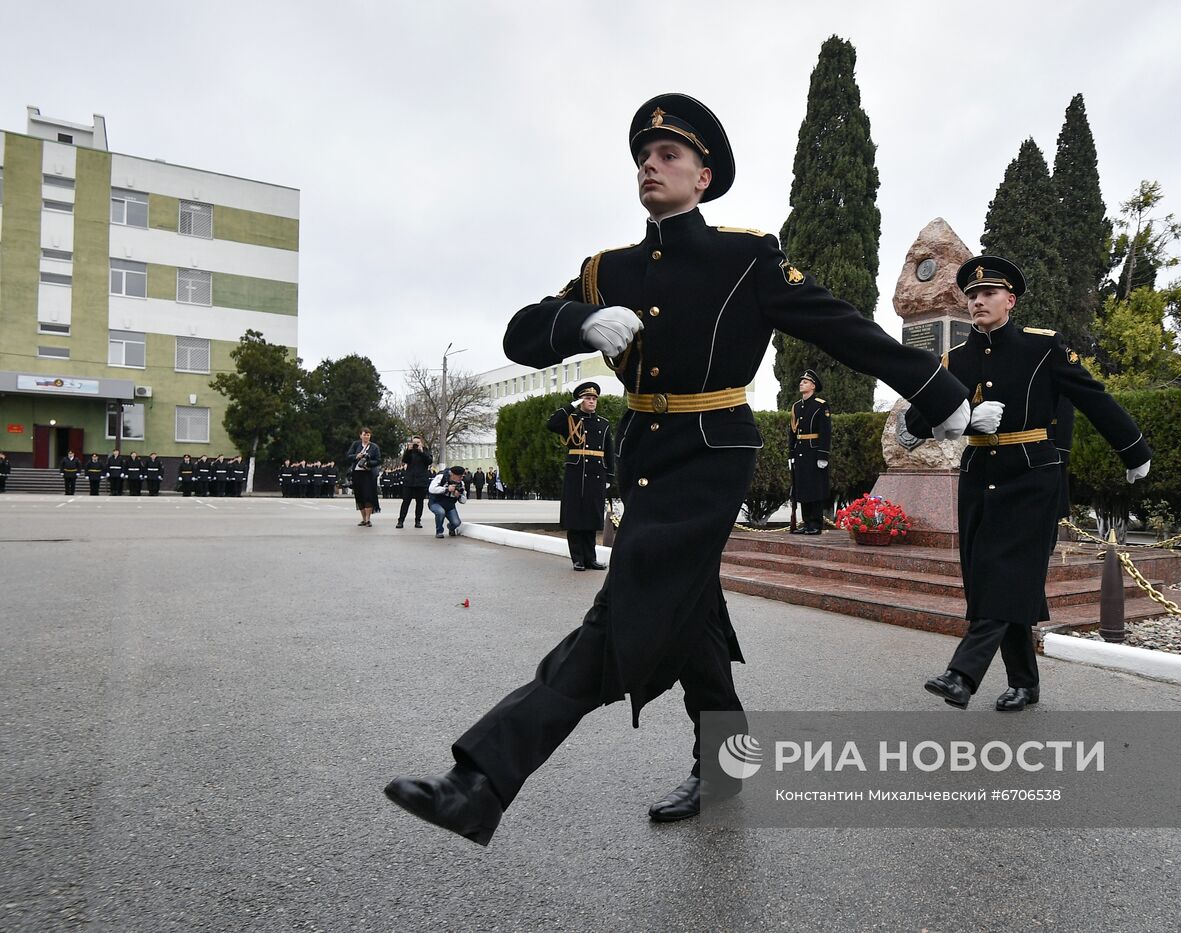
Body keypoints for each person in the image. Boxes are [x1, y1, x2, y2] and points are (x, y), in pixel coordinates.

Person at [384, 92, 970, 846]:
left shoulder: (744, 255)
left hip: (712, 451)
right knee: (690, 615)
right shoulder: (608, 270)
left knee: (621, 615)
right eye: (642, 158)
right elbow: (521, 332)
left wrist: (935, 386)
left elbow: (840, 324)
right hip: (646, 448)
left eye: (667, 156)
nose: (649, 167)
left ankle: (482, 780)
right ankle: (725, 768)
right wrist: (576, 322)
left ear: (703, 176)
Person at [902, 255, 1151, 712]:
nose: (978, 301)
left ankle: (962, 675)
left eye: (988, 294)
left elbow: (1092, 397)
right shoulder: (953, 359)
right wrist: (960, 420)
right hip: (980, 477)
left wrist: (1133, 449)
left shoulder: (1044, 349)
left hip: (1033, 476)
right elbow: (915, 423)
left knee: (1005, 575)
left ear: (1010, 301)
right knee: (990, 581)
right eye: (972, 295)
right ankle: (1025, 683)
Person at [548, 382, 616, 570]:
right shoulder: (571, 420)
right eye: (587, 398)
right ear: (580, 400)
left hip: (596, 474)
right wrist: (571, 406)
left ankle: (590, 558)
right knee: (576, 517)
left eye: (594, 399)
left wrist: (609, 476)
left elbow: (609, 451)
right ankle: (577, 558)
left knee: (591, 518)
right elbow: (551, 423)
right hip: (577, 475)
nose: (592, 401)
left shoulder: (603, 423)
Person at [788, 369, 832, 535]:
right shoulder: (797, 406)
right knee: (803, 488)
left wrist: (823, 454)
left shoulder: (820, 405)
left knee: (815, 488)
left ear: (813, 386)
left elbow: (825, 432)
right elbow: (792, 433)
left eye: (805, 382)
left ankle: (815, 523)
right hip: (800, 452)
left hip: (814, 453)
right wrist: (791, 454)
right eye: (801, 381)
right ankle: (806, 523)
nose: (801, 384)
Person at [346, 429, 381, 526]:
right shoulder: (356, 445)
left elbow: (378, 460)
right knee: (359, 496)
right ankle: (363, 518)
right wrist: (357, 456)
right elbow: (348, 456)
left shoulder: (374, 447)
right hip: (357, 473)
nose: (366, 437)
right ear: (360, 435)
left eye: (368, 435)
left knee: (368, 496)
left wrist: (368, 463)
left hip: (368, 474)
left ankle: (368, 519)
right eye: (364, 435)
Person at [396, 436, 433, 529]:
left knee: (419, 502)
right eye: (414, 442)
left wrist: (421, 452)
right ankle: (401, 521)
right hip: (409, 480)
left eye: (418, 442)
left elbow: (429, 461)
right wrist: (408, 450)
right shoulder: (410, 451)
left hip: (421, 481)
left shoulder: (425, 450)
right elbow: (404, 460)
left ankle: (418, 521)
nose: (416, 444)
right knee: (406, 502)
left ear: (422, 443)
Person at [427, 465, 468, 538]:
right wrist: (446, 489)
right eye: (460, 476)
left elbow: (464, 500)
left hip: (450, 506)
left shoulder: (461, 483)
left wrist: (458, 495)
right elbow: (431, 489)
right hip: (436, 502)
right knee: (440, 512)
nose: (461, 478)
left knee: (456, 523)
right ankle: (439, 532)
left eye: (462, 476)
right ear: (453, 475)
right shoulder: (441, 477)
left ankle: (451, 528)